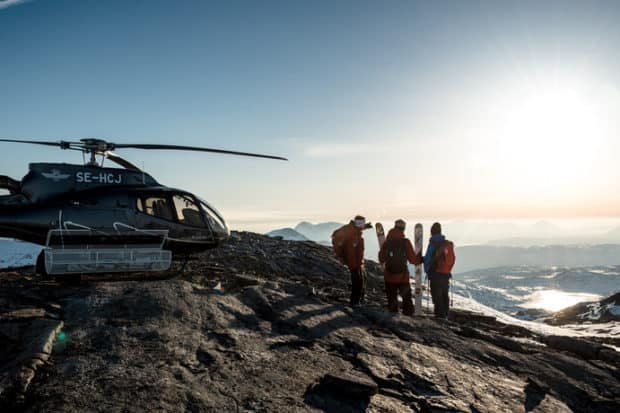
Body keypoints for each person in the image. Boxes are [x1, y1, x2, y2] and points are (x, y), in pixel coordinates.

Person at [379, 219, 422, 316]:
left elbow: (381, 259)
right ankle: (408, 318)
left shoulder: (387, 242)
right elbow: (412, 260)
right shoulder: (405, 242)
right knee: (406, 299)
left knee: (392, 299)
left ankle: (392, 318)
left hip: (389, 276)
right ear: (403, 228)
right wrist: (419, 259)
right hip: (403, 276)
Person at [332, 215, 371, 307]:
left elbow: (356, 229)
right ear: (356, 223)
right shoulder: (352, 234)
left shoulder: (353, 230)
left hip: (357, 262)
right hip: (354, 262)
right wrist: (351, 263)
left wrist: (364, 227)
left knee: (363, 278)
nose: (361, 225)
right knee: (357, 282)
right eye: (360, 223)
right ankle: (355, 302)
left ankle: (360, 299)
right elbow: (351, 251)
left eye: (363, 223)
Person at [423, 222, 456, 318]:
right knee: (444, 294)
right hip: (445, 273)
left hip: (435, 274)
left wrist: (426, 268)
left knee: (437, 295)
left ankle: (439, 316)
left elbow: (428, 258)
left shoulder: (433, 243)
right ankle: (445, 314)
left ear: (432, 232)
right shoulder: (446, 243)